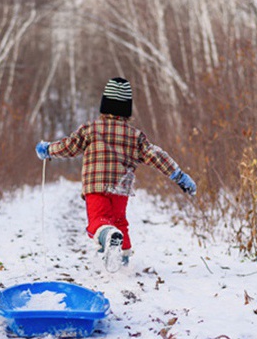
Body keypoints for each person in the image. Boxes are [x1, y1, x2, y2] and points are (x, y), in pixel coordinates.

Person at [35, 76, 196, 270]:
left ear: (104, 106)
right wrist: (178, 175)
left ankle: (107, 235)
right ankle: (123, 261)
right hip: (121, 187)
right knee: (120, 222)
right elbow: (155, 156)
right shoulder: (135, 136)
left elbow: (69, 147)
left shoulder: (91, 130)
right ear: (127, 110)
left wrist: (49, 149)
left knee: (98, 221)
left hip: (95, 185)